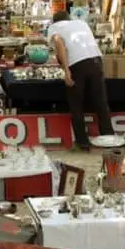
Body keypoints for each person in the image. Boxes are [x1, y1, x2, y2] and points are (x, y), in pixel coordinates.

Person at [48, 10, 113, 151]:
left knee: (76, 104)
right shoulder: (81, 24)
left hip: (77, 64)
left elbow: (59, 44)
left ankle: (83, 142)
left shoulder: (55, 27)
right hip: (96, 60)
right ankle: (109, 138)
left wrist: (66, 71)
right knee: (100, 102)